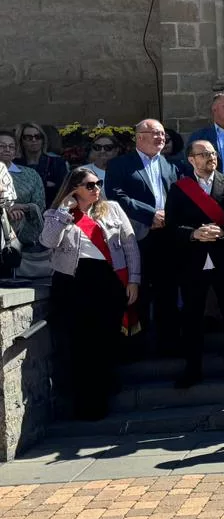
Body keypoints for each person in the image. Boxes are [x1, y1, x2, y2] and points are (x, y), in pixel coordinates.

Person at [42, 166, 139, 419]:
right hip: (73, 282)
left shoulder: (112, 208)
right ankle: (85, 405)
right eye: (90, 185)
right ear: (74, 189)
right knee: (79, 346)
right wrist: (64, 210)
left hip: (107, 280)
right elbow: (48, 242)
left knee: (104, 342)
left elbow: (130, 246)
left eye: (98, 183)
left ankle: (103, 395)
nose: (97, 189)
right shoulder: (57, 213)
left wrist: (134, 280)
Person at [169, 138, 224, 387]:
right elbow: (172, 226)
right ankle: (192, 370)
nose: (210, 157)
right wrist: (193, 233)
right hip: (192, 261)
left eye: (212, 153)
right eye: (204, 154)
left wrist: (223, 232)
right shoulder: (179, 188)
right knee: (192, 318)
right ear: (191, 159)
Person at [105, 118, 181, 352]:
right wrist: (151, 215)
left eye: (163, 135)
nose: (161, 138)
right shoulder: (120, 164)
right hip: (136, 237)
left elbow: (177, 195)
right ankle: (138, 344)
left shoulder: (171, 165)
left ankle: (168, 343)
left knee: (167, 290)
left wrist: (168, 217)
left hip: (166, 237)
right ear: (140, 137)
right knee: (138, 291)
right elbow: (116, 195)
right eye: (155, 133)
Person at [0, 129, 46, 254]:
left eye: (11, 146)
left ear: (15, 152)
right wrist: (7, 211)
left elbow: (40, 205)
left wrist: (21, 207)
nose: (7, 149)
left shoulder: (30, 174)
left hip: (26, 238)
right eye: (2, 146)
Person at [15, 122, 68, 207]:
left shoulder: (57, 162)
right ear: (21, 141)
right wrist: (46, 183)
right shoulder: (15, 164)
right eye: (28, 137)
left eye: (38, 137)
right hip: (21, 211)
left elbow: (63, 189)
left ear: (43, 140)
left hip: (51, 210)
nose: (34, 140)